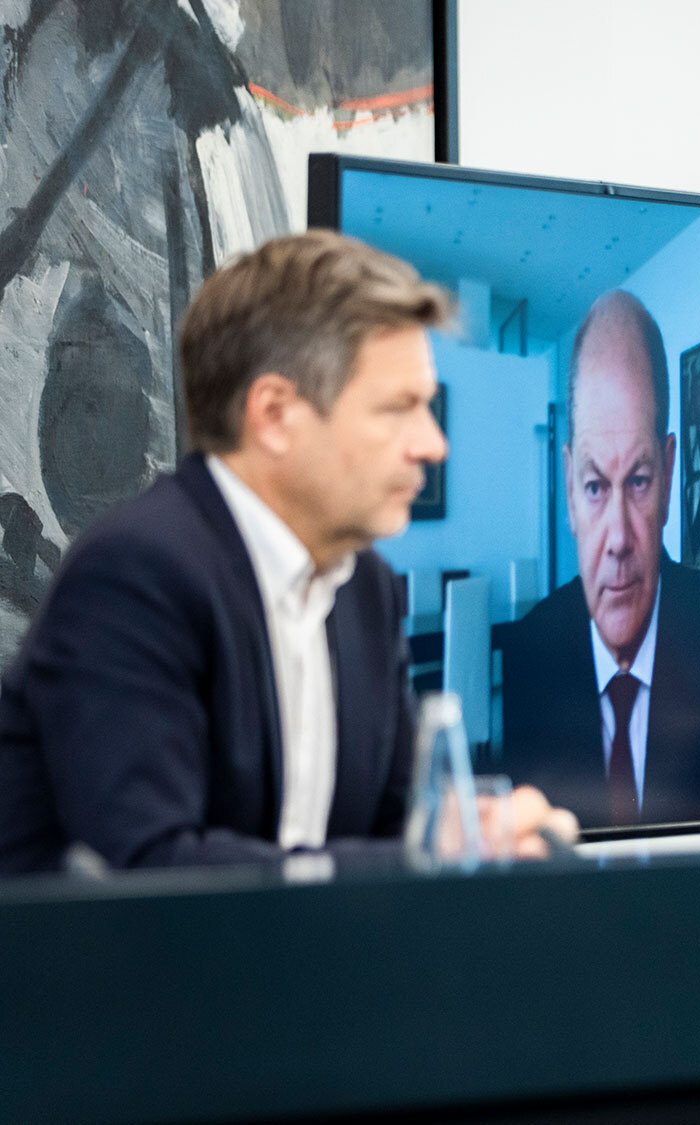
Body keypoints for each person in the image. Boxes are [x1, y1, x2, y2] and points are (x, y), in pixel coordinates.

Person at [0, 231, 575, 873]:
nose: (433, 445)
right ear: (274, 415)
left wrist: (476, 833)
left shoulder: (367, 589)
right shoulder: (134, 573)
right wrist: (421, 854)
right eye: (399, 409)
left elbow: (395, 829)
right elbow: (150, 871)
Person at [503, 291, 700, 829]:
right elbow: (524, 885)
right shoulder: (529, 655)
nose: (617, 539)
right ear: (570, 493)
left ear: (667, 479)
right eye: (595, 487)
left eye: (638, 481)